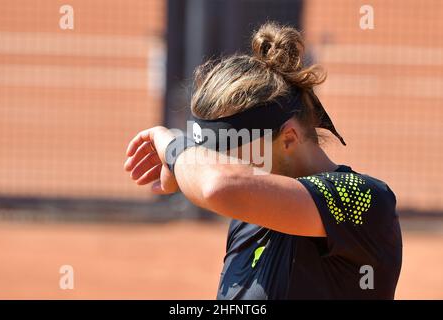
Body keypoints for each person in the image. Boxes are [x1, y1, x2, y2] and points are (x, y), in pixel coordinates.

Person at [124, 22, 402, 299]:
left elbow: (216, 185)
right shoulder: (250, 213)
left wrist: (174, 148)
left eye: (226, 149)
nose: (216, 160)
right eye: (209, 151)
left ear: (289, 138)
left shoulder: (362, 201)